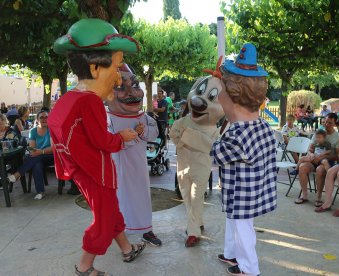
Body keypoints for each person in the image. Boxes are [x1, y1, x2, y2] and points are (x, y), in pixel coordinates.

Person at [48, 19, 145, 275]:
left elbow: (62, 137)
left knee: (111, 212)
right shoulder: (90, 103)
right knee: (103, 221)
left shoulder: (69, 98)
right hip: (97, 172)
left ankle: (126, 249)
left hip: (83, 170)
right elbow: (103, 142)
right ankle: (85, 267)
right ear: (94, 68)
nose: (118, 76)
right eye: (116, 66)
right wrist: (122, 137)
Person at [211, 43, 277, 276]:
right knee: (233, 222)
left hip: (243, 194)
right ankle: (231, 254)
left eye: (221, 94)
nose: (219, 99)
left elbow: (215, 156)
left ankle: (249, 268)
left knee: (242, 228)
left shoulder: (238, 135)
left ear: (234, 98)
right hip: (246, 189)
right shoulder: (262, 126)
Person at [170, 60, 224, 247]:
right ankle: (198, 223)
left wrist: (187, 138)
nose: (199, 101)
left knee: (196, 196)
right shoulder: (184, 120)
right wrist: (190, 139)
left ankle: (193, 233)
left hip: (201, 167)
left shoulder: (214, 130)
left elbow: (212, 146)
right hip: (183, 165)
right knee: (186, 196)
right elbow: (173, 134)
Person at [107, 64, 161, 246]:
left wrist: (143, 130)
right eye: (121, 87)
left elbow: (155, 133)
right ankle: (119, 232)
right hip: (116, 169)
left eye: (135, 85)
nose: (133, 93)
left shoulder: (143, 117)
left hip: (139, 167)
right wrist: (132, 137)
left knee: (142, 197)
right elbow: (106, 142)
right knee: (117, 200)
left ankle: (146, 229)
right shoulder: (106, 118)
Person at [7, 110, 54, 199]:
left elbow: (53, 149)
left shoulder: (51, 129)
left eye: (46, 117)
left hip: (50, 156)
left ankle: (17, 174)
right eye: (41, 117)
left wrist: (41, 152)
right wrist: (36, 152)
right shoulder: (33, 131)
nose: (44, 119)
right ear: (37, 119)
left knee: (35, 157)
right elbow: (32, 149)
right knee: (37, 164)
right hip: (38, 157)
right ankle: (40, 191)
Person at [295, 113, 339, 206]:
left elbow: (337, 156)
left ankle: (319, 196)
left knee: (320, 170)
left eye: (330, 123)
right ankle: (304, 195)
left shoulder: (337, 136)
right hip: (314, 158)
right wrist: (311, 155)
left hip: (327, 161)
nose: (327, 124)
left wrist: (323, 157)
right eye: (326, 122)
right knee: (302, 167)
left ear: (335, 124)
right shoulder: (318, 133)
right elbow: (310, 149)